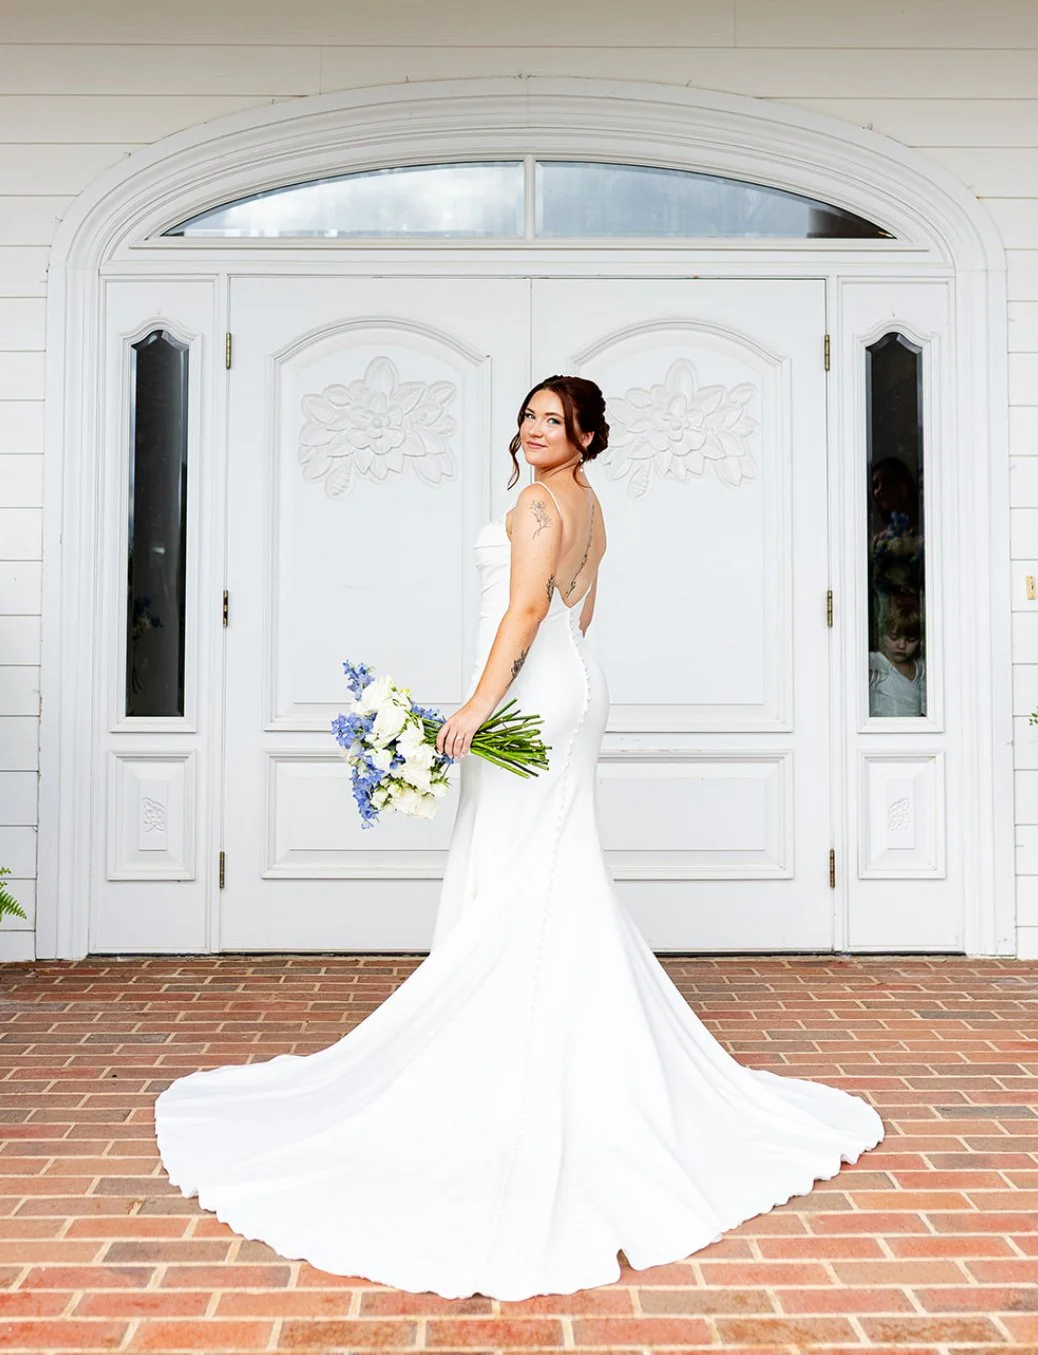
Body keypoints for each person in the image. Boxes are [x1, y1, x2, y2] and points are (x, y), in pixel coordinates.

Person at [154, 375, 883, 1302]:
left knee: (524, 869)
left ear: (585, 436)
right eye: (530, 417)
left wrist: (475, 702)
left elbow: (533, 610)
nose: (536, 430)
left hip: (534, 691)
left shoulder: (541, 502)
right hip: (572, 688)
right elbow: (587, 609)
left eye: (555, 421)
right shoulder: (587, 502)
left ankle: (517, 1058)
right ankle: (566, 1045)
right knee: (549, 865)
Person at [869, 590, 926, 717]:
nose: (901, 645)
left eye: (910, 640)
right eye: (894, 637)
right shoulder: (875, 663)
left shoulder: (921, 670)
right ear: (880, 634)